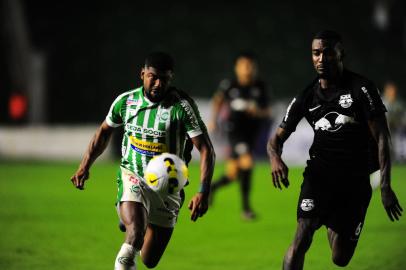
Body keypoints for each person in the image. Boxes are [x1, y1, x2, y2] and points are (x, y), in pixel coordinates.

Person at [267, 30, 403, 269]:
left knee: (340, 258)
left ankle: (333, 220)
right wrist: (275, 159)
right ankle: (322, 214)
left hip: (355, 181)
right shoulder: (307, 97)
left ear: (341, 54)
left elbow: (382, 137)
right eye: (316, 53)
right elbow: (275, 140)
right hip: (319, 176)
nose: (321, 58)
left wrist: (385, 186)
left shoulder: (361, 89)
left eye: (327, 52)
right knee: (302, 235)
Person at [70, 52, 215, 270]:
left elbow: (206, 149)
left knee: (149, 260)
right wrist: (84, 166)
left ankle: (135, 216)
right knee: (135, 235)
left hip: (168, 186)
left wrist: (203, 191)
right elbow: (103, 132)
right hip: (133, 174)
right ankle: (133, 215)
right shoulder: (126, 101)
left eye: (164, 79)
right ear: (142, 74)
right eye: (153, 77)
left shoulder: (182, 107)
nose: (158, 84)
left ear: (170, 78)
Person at [209, 52, 271, 220]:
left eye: (250, 65)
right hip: (235, 131)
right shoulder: (230, 84)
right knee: (247, 163)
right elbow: (217, 100)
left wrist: (257, 111)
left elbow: (267, 111)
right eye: (244, 65)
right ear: (237, 68)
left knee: (233, 174)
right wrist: (213, 120)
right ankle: (246, 209)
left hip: (251, 134)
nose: (247, 69)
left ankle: (211, 188)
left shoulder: (260, 86)